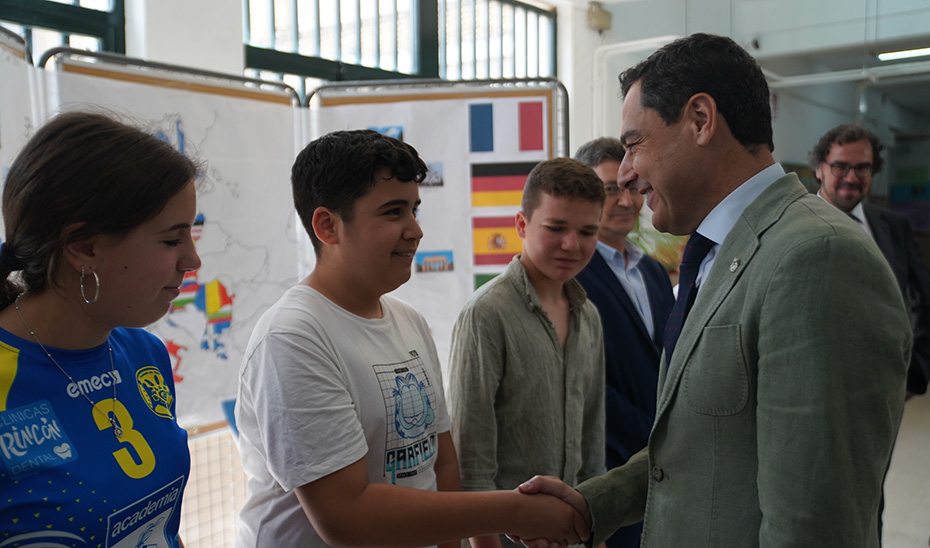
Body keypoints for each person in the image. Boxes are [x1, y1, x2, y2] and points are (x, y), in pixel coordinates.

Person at [518, 33, 911, 548]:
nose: (628, 174)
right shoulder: (716, 251)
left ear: (701, 120)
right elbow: (701, 440)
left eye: (635, 143)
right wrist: (597, 504)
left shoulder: (818, 258)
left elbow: (813, 523)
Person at [234, 130, 587, 548]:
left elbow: (441, 464)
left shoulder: (409, 321)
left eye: (414, 210)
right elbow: (347, 517)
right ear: (328, 226)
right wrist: (518, 510)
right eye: (392, 212)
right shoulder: (292, 338)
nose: (415, 230)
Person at [0, 111, 201, 546]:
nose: (191, 261)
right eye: (171, 240)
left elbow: (160, 528)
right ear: (84, 248)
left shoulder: (144, 353)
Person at [448, 157, 607, 548]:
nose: (572, 244)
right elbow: (471, 467)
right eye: (556, 228)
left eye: (587, 231)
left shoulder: (589, 316)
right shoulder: (486, 314)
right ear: (522, 224)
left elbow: (592, 449)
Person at [573, 137, 674, 548]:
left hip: (667, 465)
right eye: (608, 189)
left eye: (631, 187)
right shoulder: (573, 274)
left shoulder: (652, 271)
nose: (625, 200)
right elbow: (587, 382)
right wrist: (653, 440)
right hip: (612, 467)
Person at [810, 124, 930, 396]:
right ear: (819, 169)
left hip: (882, 388)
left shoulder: (894, 227)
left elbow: (926, 299)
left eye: (863, 168)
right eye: (840, 167)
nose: (851, 178)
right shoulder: (789, 224)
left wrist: (917, 370)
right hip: (814, 389)